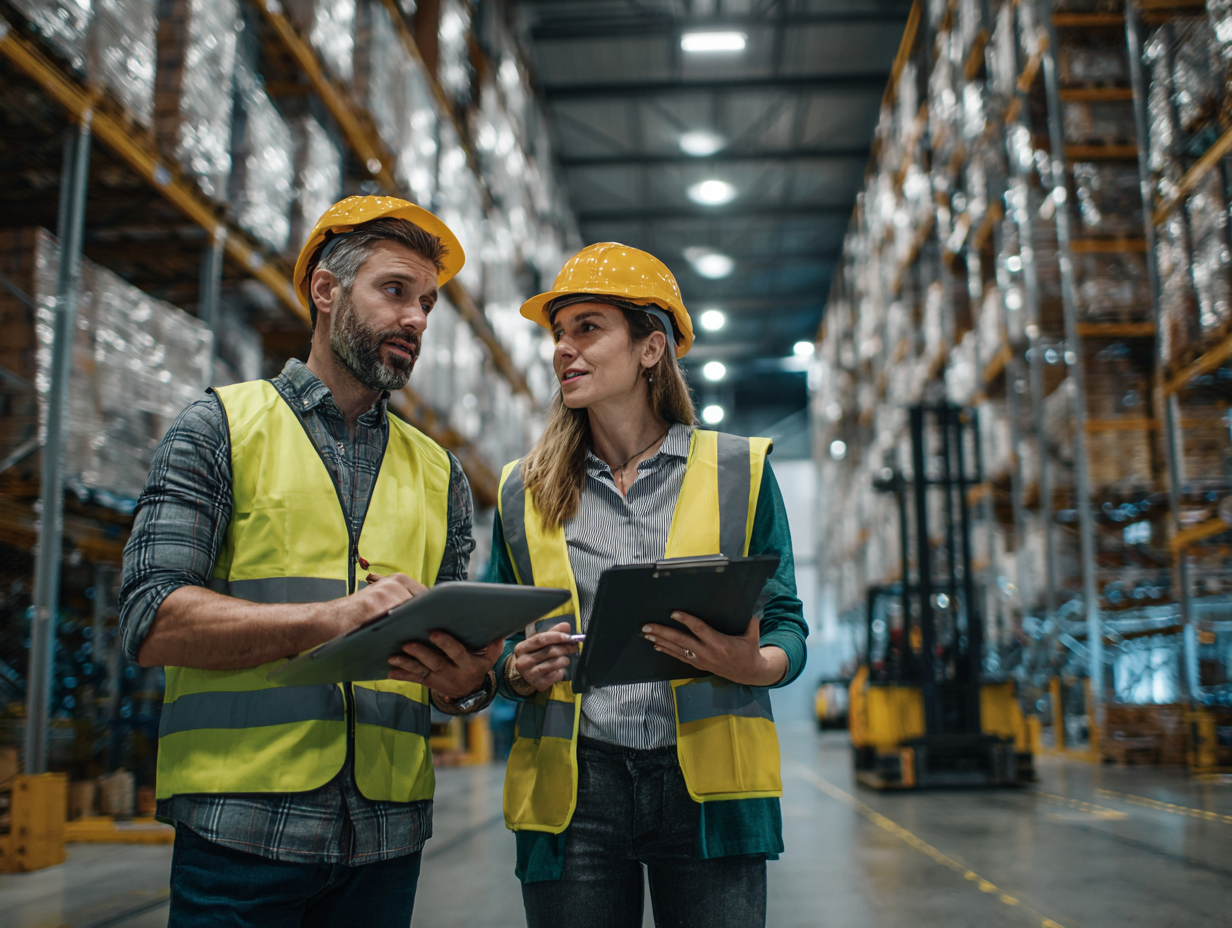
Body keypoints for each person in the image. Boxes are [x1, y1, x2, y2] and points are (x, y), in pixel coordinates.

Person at [118, 196, 504, 927]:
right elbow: (150, 618)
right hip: (241, 833)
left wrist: (467, 682)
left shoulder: (438, 473)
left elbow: (457, 676)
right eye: (395, 291)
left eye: (427, 302)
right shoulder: (219, 429)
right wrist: (331, 619)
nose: (418, 319)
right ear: (326, 291)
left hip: (385, 844)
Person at [489, 242, 808, 928]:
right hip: (578, 790)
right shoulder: (524, 490)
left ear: (650, 349)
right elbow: (488, 643)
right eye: (558, 332)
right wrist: (513, 671)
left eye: (588, 328)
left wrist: (754, 664)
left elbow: (785, 618)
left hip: (706, 791)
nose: (564, 350)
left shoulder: (739, 471)